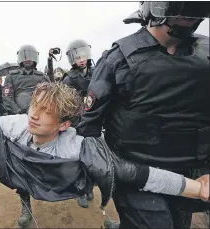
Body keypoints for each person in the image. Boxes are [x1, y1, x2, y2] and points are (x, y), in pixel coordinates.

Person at [0, 82, 209, 228]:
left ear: (65, 124)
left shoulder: (80, 148)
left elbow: (139, 174)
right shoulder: (12, 125)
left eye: (45, 113)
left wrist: (197, 188)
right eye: (33, 107)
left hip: (69, 182)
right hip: (19, 178)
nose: (33, 116)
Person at [77, 2, 210, 229]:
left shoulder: (205, 54)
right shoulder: (118, 59)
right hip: (137, 177)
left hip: (191, 176)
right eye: (180, 5)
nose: (188, 14)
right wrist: (97, 173)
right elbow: (89, 126)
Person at [61, 39, 95, 207]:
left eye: (83, 56)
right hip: (77, 122)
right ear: (72, 60)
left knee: (93, 156)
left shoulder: (97, 72)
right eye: (77, 57)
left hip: (95, 120)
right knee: (77, 157)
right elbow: (66, 103)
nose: (81, 59)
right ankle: (78, 189)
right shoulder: (69, 78)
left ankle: (88, 187)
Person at [2, 44, 50, 115]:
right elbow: (7, 97)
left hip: (38, 114)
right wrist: (17, 111)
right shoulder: (11, 76)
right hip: (17, 115)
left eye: (31, 56)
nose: (27, 59)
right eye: (25, 56)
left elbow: (49, 97)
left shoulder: (43, 77)